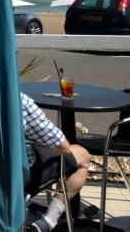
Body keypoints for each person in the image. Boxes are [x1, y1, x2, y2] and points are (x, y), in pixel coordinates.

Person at [22, 93, 90, 232]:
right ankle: (49, 220)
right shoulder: (18, 100)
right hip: (17, 175)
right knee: (81, 155)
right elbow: (63, 147)